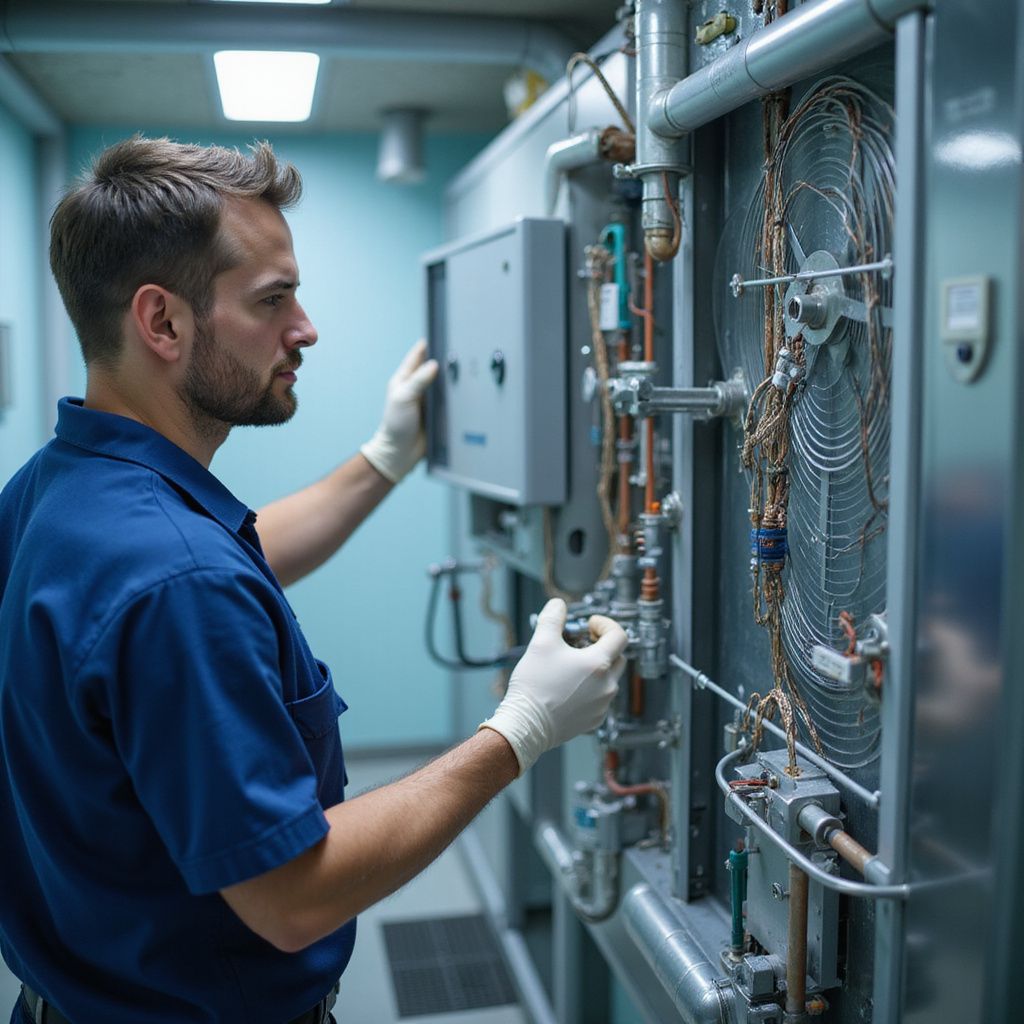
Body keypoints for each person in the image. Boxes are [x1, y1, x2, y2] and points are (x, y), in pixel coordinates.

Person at [0, 137, 628, 1024]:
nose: (307, 327)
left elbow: (229, 562)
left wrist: (384, 458)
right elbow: (293, 897)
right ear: (164, 322)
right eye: (273, 299)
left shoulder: (54, 491)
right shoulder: (174, 581)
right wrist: (519, 732)